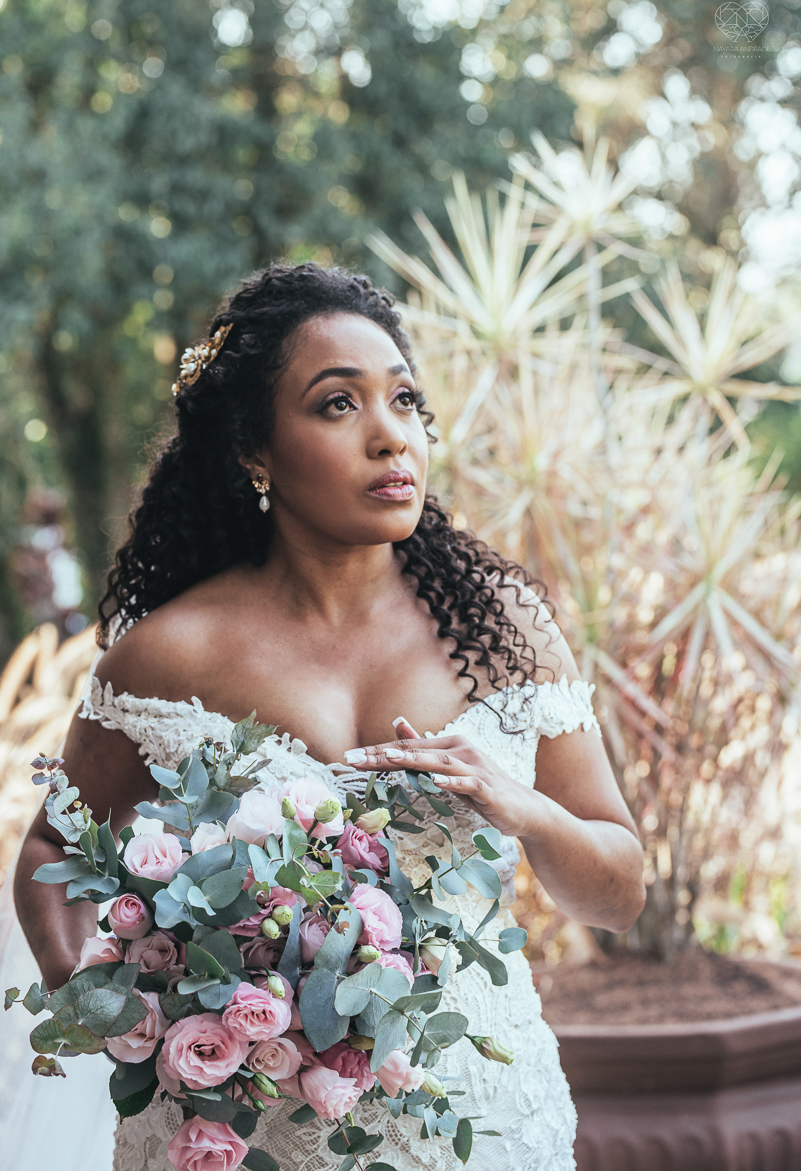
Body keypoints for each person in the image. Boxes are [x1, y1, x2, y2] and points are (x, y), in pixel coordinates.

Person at [14, 260, 645, 1170]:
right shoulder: (169, 654)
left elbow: (617, 896)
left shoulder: (503, 630)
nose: (391, 437)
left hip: (471, 1122)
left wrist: (523, 808)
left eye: (404, 399)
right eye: (338, 404)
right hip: (232, 1131)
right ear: (254, 450)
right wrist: (114, 1006)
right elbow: (52, 848)